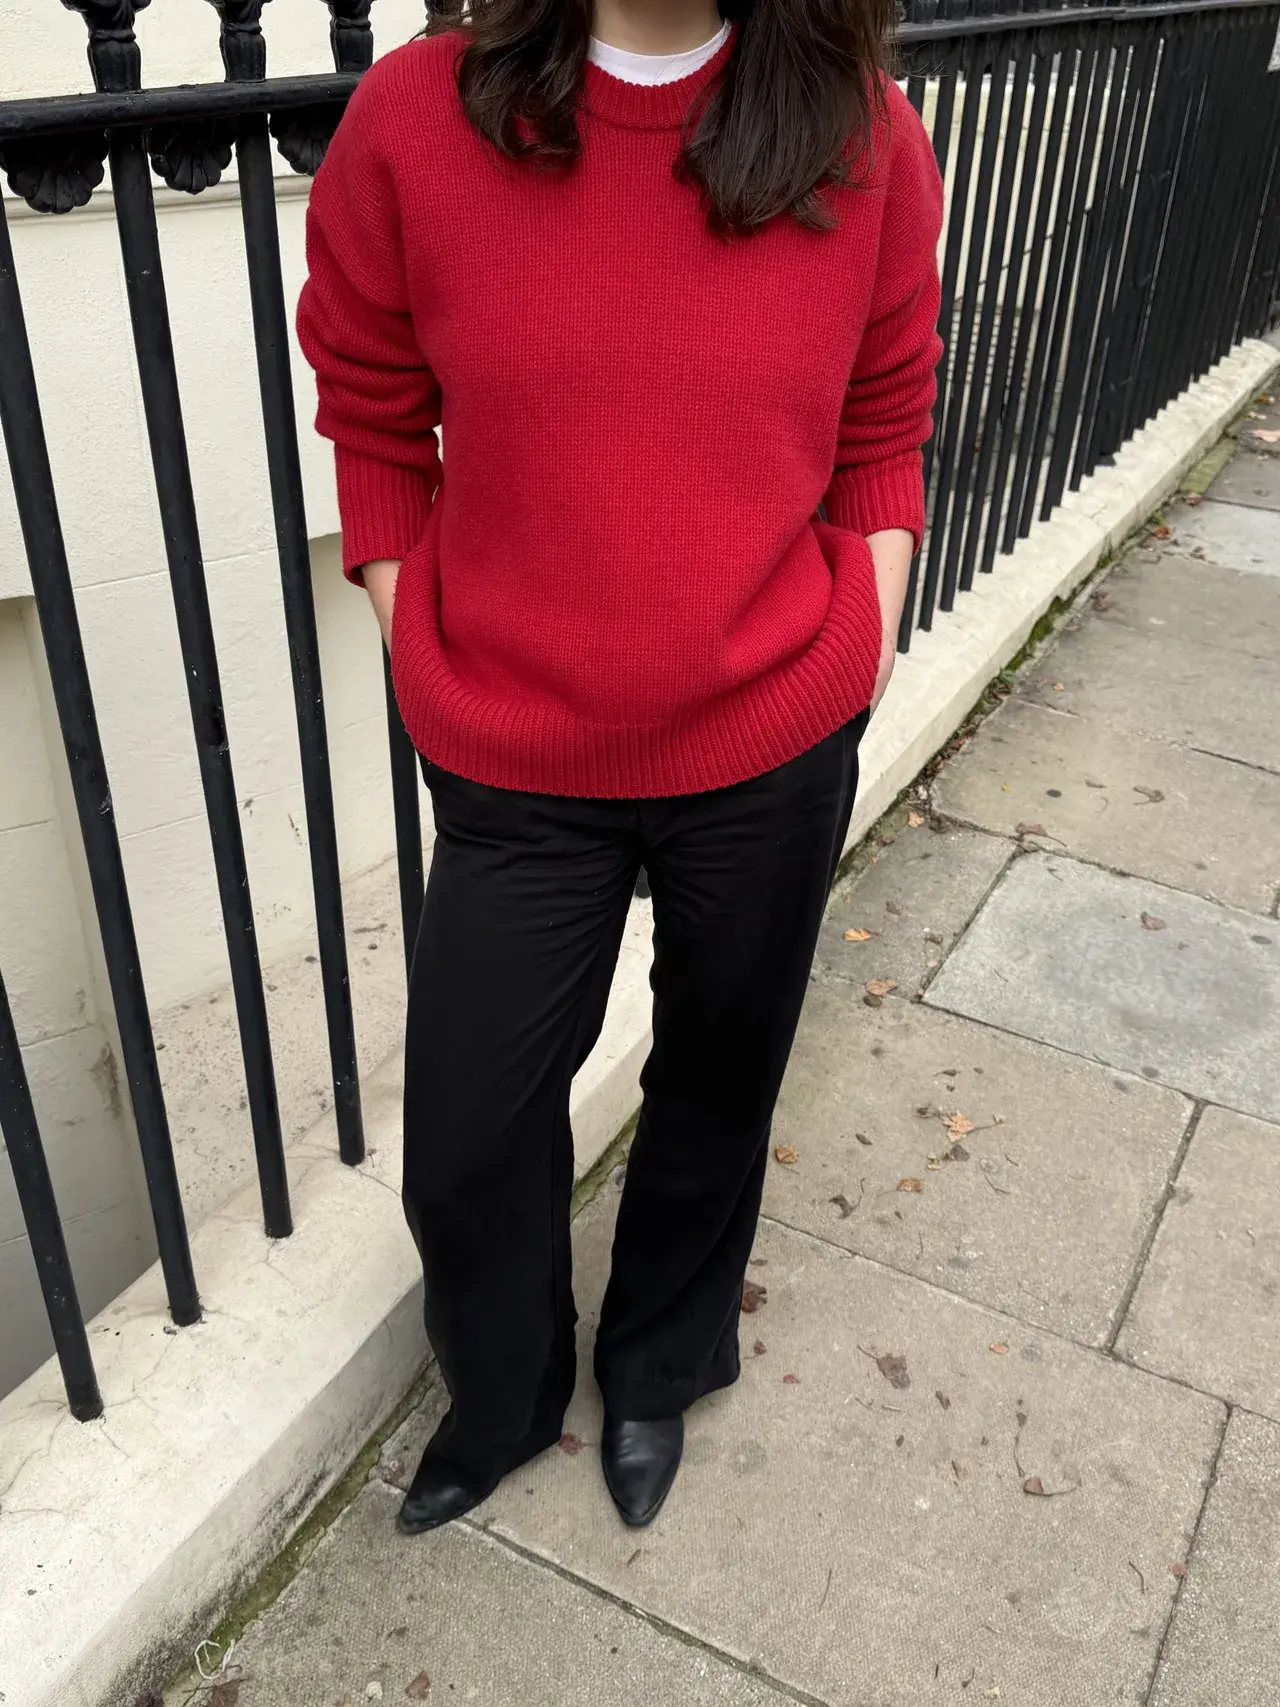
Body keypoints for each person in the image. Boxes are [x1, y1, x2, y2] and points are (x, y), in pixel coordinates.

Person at [297, 0, 943, 1535]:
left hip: (769, 733)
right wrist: (412, 634)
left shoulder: (862, 136)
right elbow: (373, 411)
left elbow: (883, 423)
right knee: (468, 1135)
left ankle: (659, 1365)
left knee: (718, 1080)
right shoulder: (416, 120)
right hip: (519, 752)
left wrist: (862, 639)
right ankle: (509, 1394)